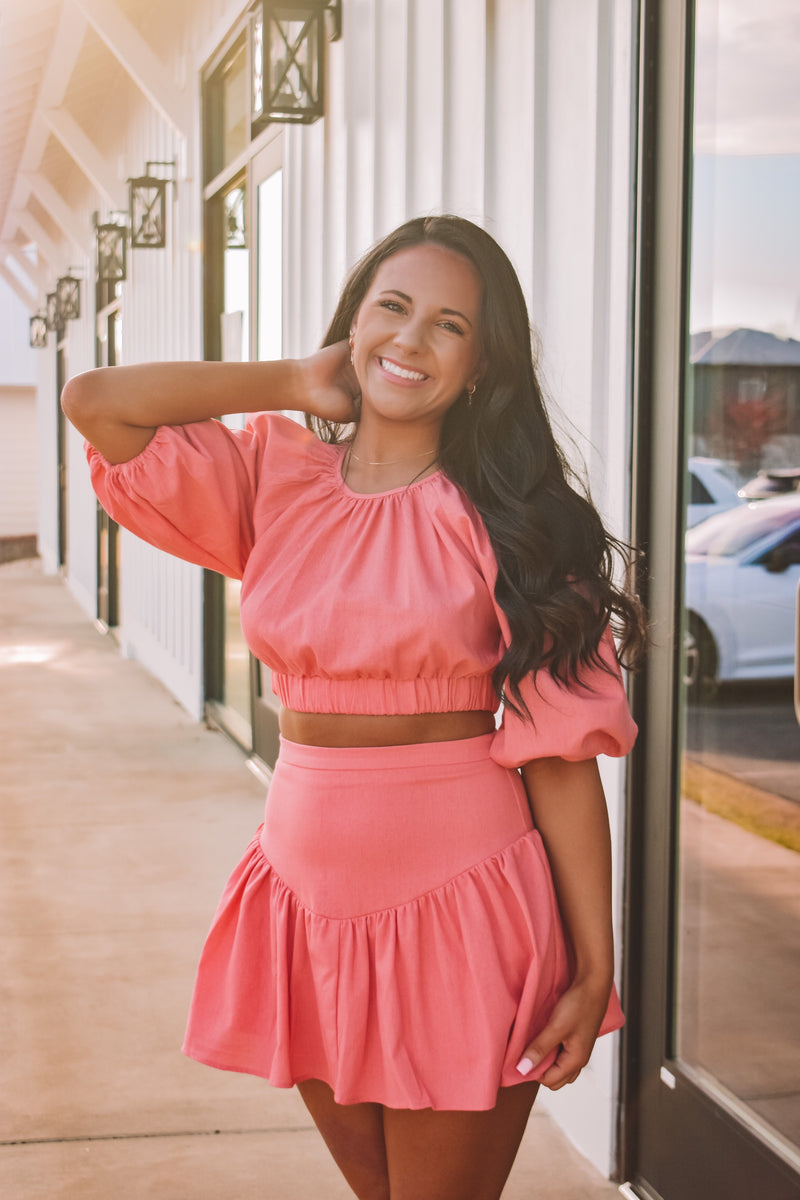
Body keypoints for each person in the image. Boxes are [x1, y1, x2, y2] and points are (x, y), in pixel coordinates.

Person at [62, 214, 646, 1200]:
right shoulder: (275, 478)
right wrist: (293, 380)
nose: (410, 342)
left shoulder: (517, 521)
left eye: (449, 325)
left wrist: (593, 967)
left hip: (462, 908)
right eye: (392, 307)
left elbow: (556, 758)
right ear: (355, 321)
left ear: (483, 360)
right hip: (303, 902)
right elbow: (97, 403)